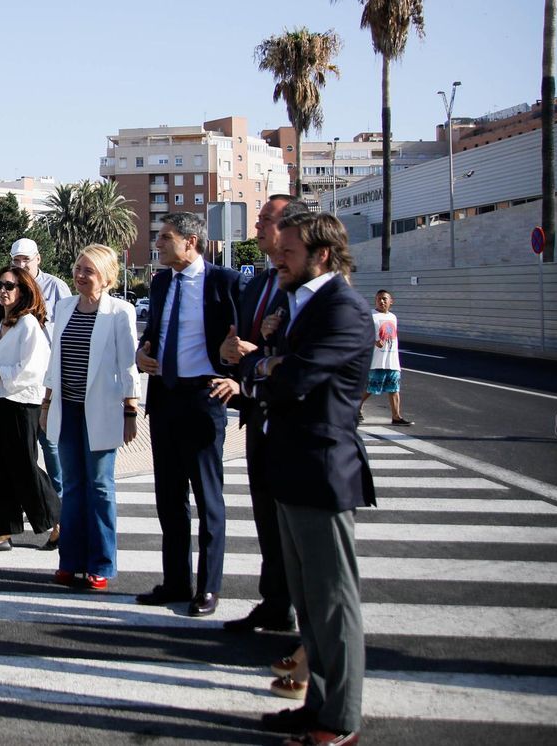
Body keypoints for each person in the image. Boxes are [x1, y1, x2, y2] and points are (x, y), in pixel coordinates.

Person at [245, 211, 376, 746]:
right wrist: (266, 367)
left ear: (321, 254)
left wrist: (268, 367)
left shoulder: (343, 309)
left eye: (289, 251)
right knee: (310, 603)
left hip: (321, 471)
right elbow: (262, 370)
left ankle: (340, 717)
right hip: (292, 468)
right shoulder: (302, 303)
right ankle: (317, 704)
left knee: (332, 603)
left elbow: (292, 378)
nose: (277, 257)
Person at [135, 212, 240, 617]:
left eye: (165, 238)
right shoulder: (162, 282)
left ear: (191, 241)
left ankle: (208, 588)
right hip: (165, 398)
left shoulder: (225, 282)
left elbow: (247, 336)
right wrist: (143, 352)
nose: (157, 244)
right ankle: (176, 581)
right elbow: (155, 331)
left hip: (203, 398)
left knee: (208, 497)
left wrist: (238, 377)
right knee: (169, 497)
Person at [219, 195, 306, 634]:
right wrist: (231, 357)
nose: (257, 228)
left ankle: (301, 614)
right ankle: (275, 602)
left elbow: (300, 358)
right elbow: (242, 345)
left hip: (292, 422)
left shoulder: (308, 288)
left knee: (294, 525)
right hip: (258, 414)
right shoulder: (255, 284)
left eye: (265, 221)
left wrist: (257, 362)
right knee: (266, 518)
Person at [43, 244, 140, 590]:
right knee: (72, 486)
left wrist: (131, 412)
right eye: (78, 268)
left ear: (107, 277)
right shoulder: (65, 305)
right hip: (66, 408)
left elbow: (129, 367)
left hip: (101, 410)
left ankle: (101, 562)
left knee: (99, 487)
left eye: (89, 271)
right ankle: (70, 559)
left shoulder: (119, 312)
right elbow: (54, 360)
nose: (80, 276)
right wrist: (46, 403)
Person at [0, 265, 59, 553]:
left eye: (9, 286)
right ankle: (2, 531)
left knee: (24, 466)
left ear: (23, 291)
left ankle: (58, 521)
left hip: (21, 403)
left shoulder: (29, 325)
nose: (2, 291)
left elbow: (32, 370)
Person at [11, 237, 70, 499]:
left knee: (51, 444)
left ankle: (61, 500)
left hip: (48, 377)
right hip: (19, 377)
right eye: (16, 259)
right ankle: (35, 501)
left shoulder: (56, 287)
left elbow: (67, 331)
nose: (21, 264)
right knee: (24, 446)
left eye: (26, 259)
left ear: (38, 259)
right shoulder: (9, 286)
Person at [361, 289, 412, 426]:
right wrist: (374, 341)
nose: (381, 301)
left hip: (392, 360)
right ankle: (355, 407)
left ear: (391, 301)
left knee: (394, 389)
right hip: (376, 360)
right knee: (372, 387)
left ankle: (396, 417)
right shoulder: (371, 316)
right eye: (379, 299)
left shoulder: (393, 317)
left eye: (384, 299)